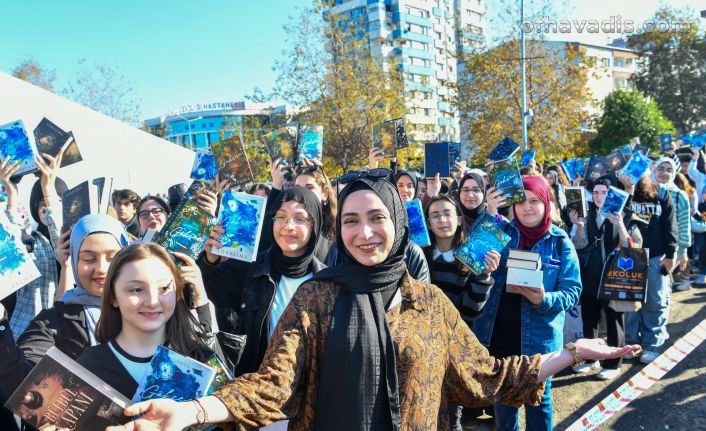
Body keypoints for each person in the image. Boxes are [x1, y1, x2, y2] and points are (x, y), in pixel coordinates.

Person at [106, 176, 639, 431]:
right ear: (338, 230)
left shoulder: (426, 301)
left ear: (398, 224)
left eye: (377, 218)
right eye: (352, 221)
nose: (365, 233)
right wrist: (189, 411)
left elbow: (486, 376)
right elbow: (272, 385)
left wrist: (570, 355)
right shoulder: (317, 297)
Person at [472, 176, 583, 431]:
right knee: (503, 401)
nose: (527, 207)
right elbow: (474, 258)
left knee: (539, 402)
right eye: (521, 201)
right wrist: (490, 212)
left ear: (546, 203)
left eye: (535, 201)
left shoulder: (559, 241)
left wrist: (544, 299)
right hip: (499, 335)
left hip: (539, 339)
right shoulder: (503, 231)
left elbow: (573, 290)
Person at [198, 186, 326, 376]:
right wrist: (209, 259)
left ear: (315, 224)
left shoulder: (327, 281)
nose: (288, 225)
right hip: (252, 384)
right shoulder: (250, 267)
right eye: (281, 216)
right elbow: (204, 289)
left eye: (299, 218)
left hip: (307, 389)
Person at [76, 243, 214, 399]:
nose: (152, 302)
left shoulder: (202, 360)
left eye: (163, 288)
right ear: (113, 296)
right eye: (136, 289)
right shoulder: (89, 368)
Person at [423, 195, 500, 430]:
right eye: (435, 215)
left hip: (453, 347)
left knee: (452, 414)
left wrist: (484, 275)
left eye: (447, 213)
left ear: (458, 219)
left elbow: (471, 310)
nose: (442, 220)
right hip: (422, 342)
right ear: (427, 222)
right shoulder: (419, 256)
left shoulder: (470, 257)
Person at [569, 175, 643, 380]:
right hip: (591, 274)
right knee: (590, 319)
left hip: (616, 276)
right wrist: (580, 226)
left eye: (604, 192)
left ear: (613, 194)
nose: (600, 197)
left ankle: (613, 363)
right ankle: (591, 359)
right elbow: (578, 245)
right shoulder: (586, 213)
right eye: (596, 192)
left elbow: (632, 247)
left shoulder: (626, 213)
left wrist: (620, 225)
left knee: (614, 319)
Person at [0, 150, 66, 339]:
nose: (48, 208)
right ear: (34, 209)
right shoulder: (30, 240)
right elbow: (10, 245)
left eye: (56, 201)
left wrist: (49, 188)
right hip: (24, 332)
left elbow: (60, 237)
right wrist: (10, 194)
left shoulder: (78, 240)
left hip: (63, 333)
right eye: (42, 204)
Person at [621, 171, 678, 364]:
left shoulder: (660, 193)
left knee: (655, 301)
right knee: (629, 304)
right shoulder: (620, 191)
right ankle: (631, 343)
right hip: (629, 257)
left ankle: (652, 343)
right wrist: (627, 190)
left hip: (655, 257)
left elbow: (670, 225)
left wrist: (671, 255)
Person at [652, 157, 691, 290]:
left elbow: (684, 225)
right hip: (647, 249)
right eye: (661, 168)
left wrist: (682, 251)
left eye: (669, 170)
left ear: (674, 174)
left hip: (669, 249)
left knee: (662, 289)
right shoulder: (645, 192)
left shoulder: (680, 196)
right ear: (653, 170)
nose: (664, 173)